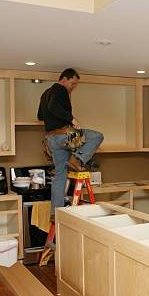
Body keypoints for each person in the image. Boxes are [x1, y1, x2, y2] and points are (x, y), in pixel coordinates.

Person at [37, 68, 104, 219]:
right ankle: (77, 159)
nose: (73, 87)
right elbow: (53, 107)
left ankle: (56, 212)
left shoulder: (45, 94)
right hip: (65, 136)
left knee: (60, 176)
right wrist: (72, 119)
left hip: (51, 140)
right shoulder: (59, 89)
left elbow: (40, 115)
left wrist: (54, 119)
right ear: (64, 79)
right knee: (97, 136)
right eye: (72, 84)